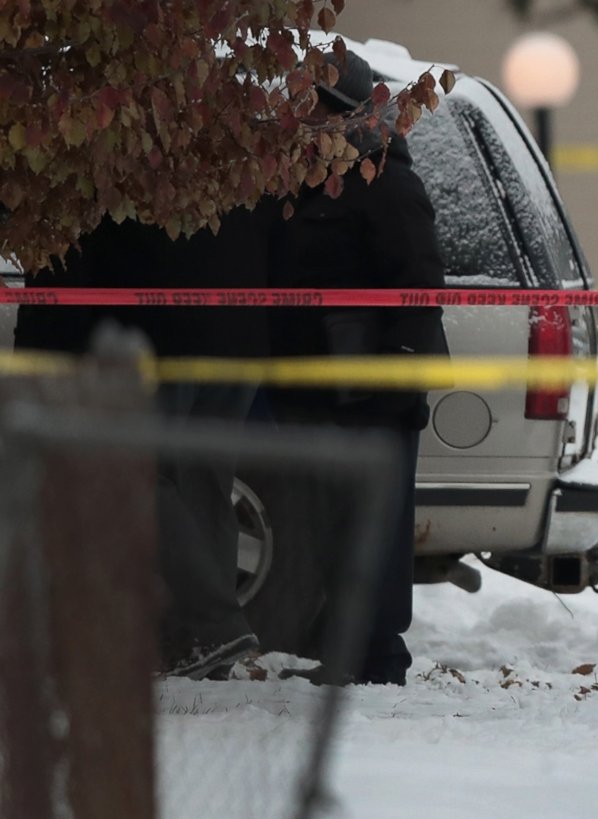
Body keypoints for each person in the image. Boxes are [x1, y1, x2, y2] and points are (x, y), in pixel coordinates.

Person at [15, 207, 273, 678]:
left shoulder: (96, 152)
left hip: (161, 336)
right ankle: (203, 647)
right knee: (203, 485)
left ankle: (211, 628)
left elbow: (69, 267)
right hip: (238, 333)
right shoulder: (218, 145)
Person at [268, 50, 450, 685]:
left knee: (373, 529)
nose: (295, 114)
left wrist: (394, 371)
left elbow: (421, 285)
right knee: (327, 527)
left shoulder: (385, 181)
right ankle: (342, 652)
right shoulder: (306, 180)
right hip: (322, 387)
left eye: (308, 103)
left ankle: (376, 660)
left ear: (339, 112)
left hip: (376, 391)